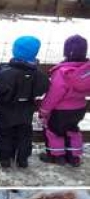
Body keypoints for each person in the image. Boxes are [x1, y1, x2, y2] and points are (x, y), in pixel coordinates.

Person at [0, 36, 49, 169]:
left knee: (4, 134)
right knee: (24, 134)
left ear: (15, 51)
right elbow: (44, 87)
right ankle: (22, 159)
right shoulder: (38, 74)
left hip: (6, 109)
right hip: (26, 111)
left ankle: (4, 158)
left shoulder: (7, 72)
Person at [38, 35, 90, 167]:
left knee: (54, 131)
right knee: (73, 130)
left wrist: (44, 110)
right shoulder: (87, 71)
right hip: (79, 108)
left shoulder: (63, 72)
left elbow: (53, 94)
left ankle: (57, 156)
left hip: (61, 110)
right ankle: (74, 157)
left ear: (66, 51)